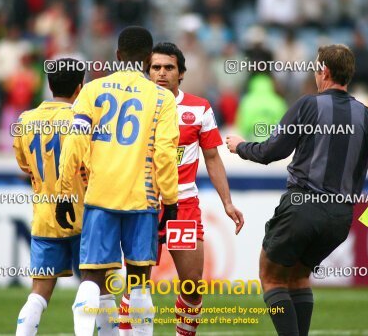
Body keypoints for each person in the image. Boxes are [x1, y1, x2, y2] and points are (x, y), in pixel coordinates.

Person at [226, 44, 368, 336]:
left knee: (271, 278)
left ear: (324, 71)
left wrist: (240, 147)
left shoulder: (308, 105)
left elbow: (272, 151)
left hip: (302, 206)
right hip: (339, 219)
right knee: (298, 277)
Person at [55, 26, 179, 336]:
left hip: (101, 197)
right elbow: (164, 154)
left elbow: (74, 143)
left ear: (117, 56)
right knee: (138, 281)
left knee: (93, 279)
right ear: (149, 58)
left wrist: (63, 193)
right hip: (143, 198)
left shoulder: (92, 90)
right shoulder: (163, 98)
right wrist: (172, 199)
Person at [118, 42, 245, 336]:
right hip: (144, 203)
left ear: (182, 73)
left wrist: (227, 203)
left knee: (192, 285)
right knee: (136, 283)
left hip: (184, 206)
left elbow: (212, 157)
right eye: (156, 68)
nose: (162, 73)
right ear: (147, 71)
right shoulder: (135, 106)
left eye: (169, 68)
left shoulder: (199, 108)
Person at [13, 58, 87, 335]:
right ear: (80, 88)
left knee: (39, 293)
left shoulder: (24, 120)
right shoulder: (83, 121)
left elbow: (24, 166)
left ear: (48, 84)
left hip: (45, 218)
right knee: (97, 287)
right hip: (82, 215)